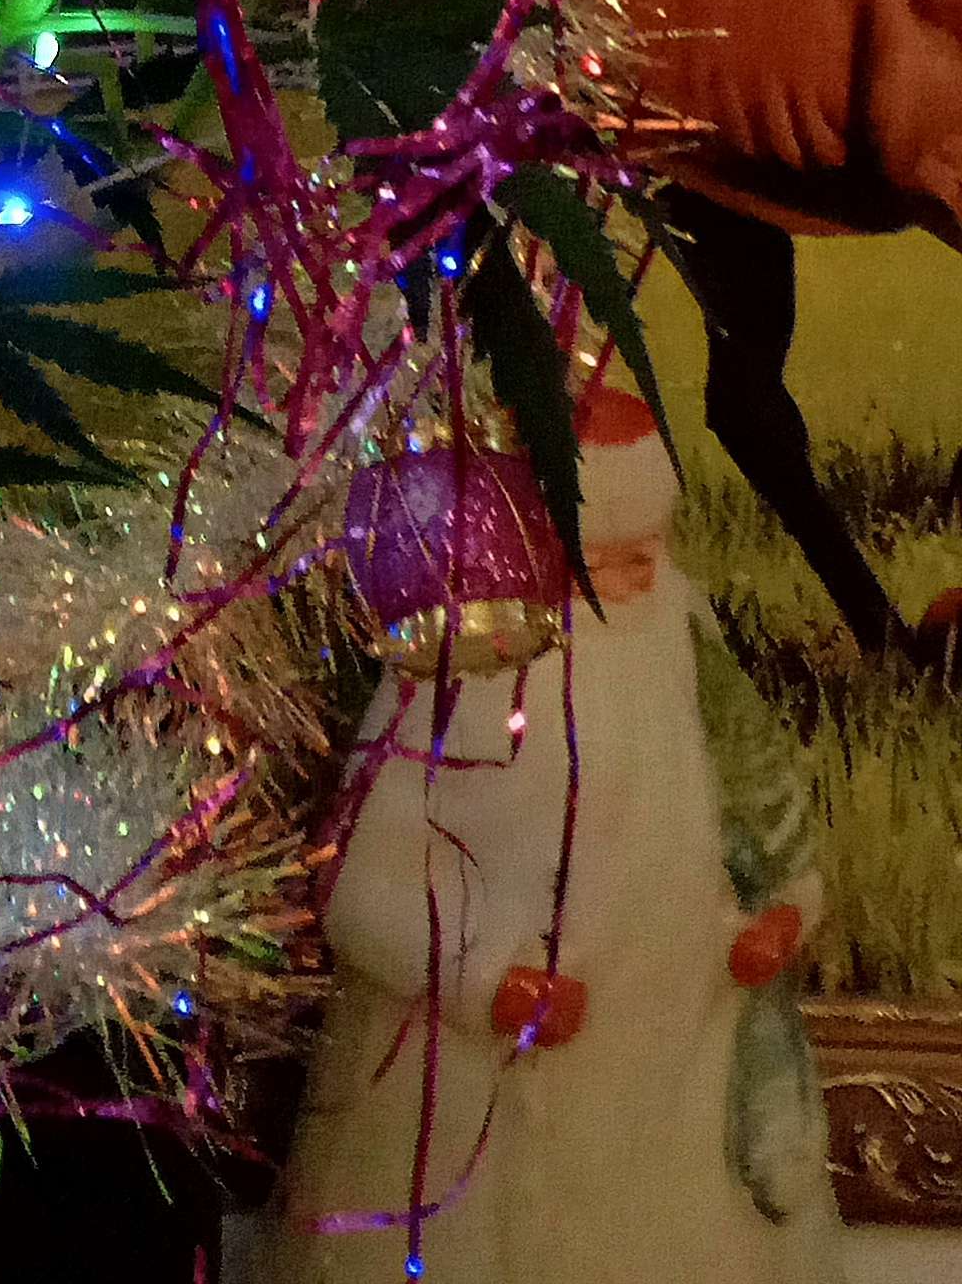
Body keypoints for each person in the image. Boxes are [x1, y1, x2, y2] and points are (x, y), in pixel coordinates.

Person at [258, 383, 840, 1280]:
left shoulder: (683, 646)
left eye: (646, 553)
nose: (631, 580)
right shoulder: (457, 665)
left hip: (672, 1089)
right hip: (476, 1125)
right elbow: (357, 885)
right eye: (597, 559)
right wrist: (488, 983)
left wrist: (784, 911)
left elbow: (765, 807)